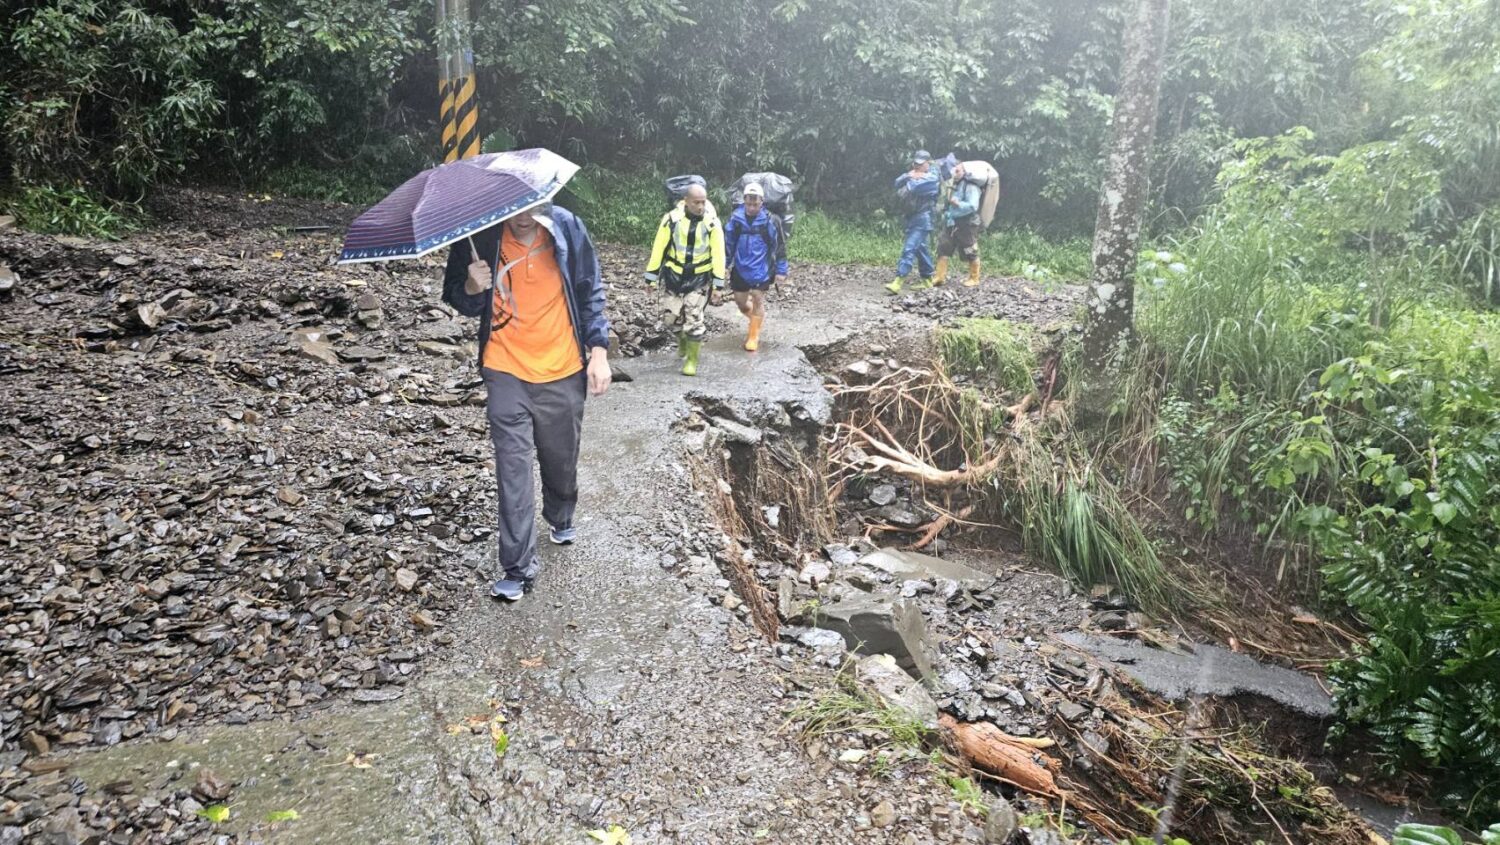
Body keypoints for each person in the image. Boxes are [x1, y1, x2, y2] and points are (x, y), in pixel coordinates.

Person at [442, 203, 612, 602]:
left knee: (559, 457)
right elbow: (458, 298)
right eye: (514, 210)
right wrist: (471, 288)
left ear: (547, 203)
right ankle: (517, 567)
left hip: (563, 366)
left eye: (534, 209)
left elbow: (590, 289)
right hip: (504, 369)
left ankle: (560, 512)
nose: (524, 217)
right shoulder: (478, 233)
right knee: (512, 468)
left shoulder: (568, 227)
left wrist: (599, 350)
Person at [644, 183, 725, 376]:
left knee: (694, 319)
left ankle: (691, 361)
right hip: (674, 275)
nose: (700, 206)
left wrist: (718, 284)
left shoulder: (711, 222)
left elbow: (719, 254)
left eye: (703, 202)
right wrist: (651, 277)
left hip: (699, 277)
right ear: (685, 201)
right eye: (696, 202)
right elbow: (659, 248)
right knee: (670, 320)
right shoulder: (671, 220)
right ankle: (682, 341)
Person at [723, 182, 788, 352]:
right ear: (744, 201)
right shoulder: (735, 219)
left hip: (762, 268)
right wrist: (724, 264)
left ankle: (753, 336)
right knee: (741, 303)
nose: (752, 207)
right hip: (740, 267)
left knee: (758, 298)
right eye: (748, 203)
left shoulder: (771, 220)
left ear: (762, 202)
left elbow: (780, 245)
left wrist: (781, 270)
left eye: (755, 204)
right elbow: (728, 243)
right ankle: (755, 321)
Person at [886, 149, 941, 295]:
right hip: (911, 217)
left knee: (909, 248)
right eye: (915, 163)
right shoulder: (914, 174)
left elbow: (915, 187)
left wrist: (910, 179)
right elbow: (896, 183)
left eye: (920, 164)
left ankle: (898, 281)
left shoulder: (933, 178)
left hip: (923, 219)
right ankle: (927, 281)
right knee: (920, 249)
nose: (916, 166)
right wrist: (908, 175)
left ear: (928, 163)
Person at [936, 161, 983, 287]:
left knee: (969, 248)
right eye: (954, 170)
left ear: (965, 172)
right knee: (943, 246)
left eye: (958, 171)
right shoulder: (954, 185)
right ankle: (939, 276)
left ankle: (974, 277)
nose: (955, 173)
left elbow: (973, 206)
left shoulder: (971, 187)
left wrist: (959, 204)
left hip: (966, 224)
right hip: (952, 222)